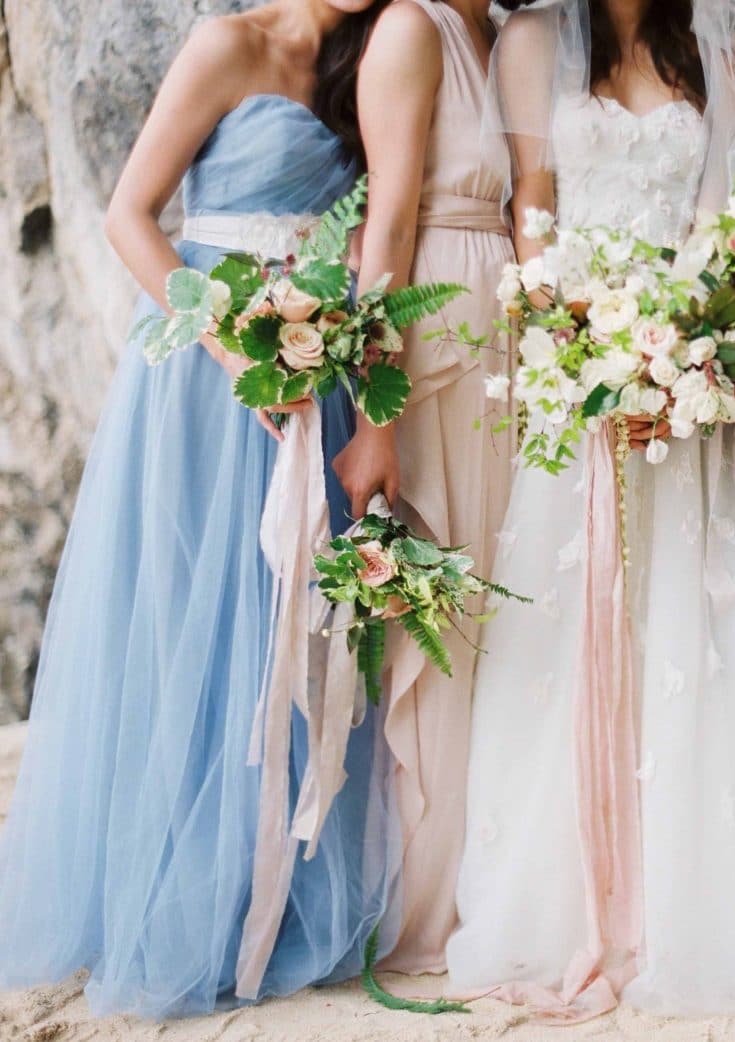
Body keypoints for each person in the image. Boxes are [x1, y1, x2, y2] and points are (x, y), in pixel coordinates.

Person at [446, 0, 735, 1018]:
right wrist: (579, 349)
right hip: (576, 369)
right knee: (564, 622)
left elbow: (718, 221)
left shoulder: (715, 48)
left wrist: (679, 347)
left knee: (695, 615)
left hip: (677, 370)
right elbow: (531, 214)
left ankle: (696, 901)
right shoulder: (532, 42)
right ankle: (567, 900)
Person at [0, 0, 400, 1018]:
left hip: (314, 366)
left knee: (282, 622)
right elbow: (130, 215)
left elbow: (377, 233)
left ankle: (266, 891)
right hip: (205, 364)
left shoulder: (372, 59)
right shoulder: (229, 43)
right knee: (185, 614)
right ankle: (165, 897)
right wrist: (232, 352)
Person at [334, 0, 514, 974]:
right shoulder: (412, 25)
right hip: (435, 327)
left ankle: (488, 881)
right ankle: (423, 901)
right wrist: (375, 415)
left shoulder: (502, 30)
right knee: (442, 611)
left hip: (503, 335)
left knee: (488, 612)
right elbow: (390, 218)